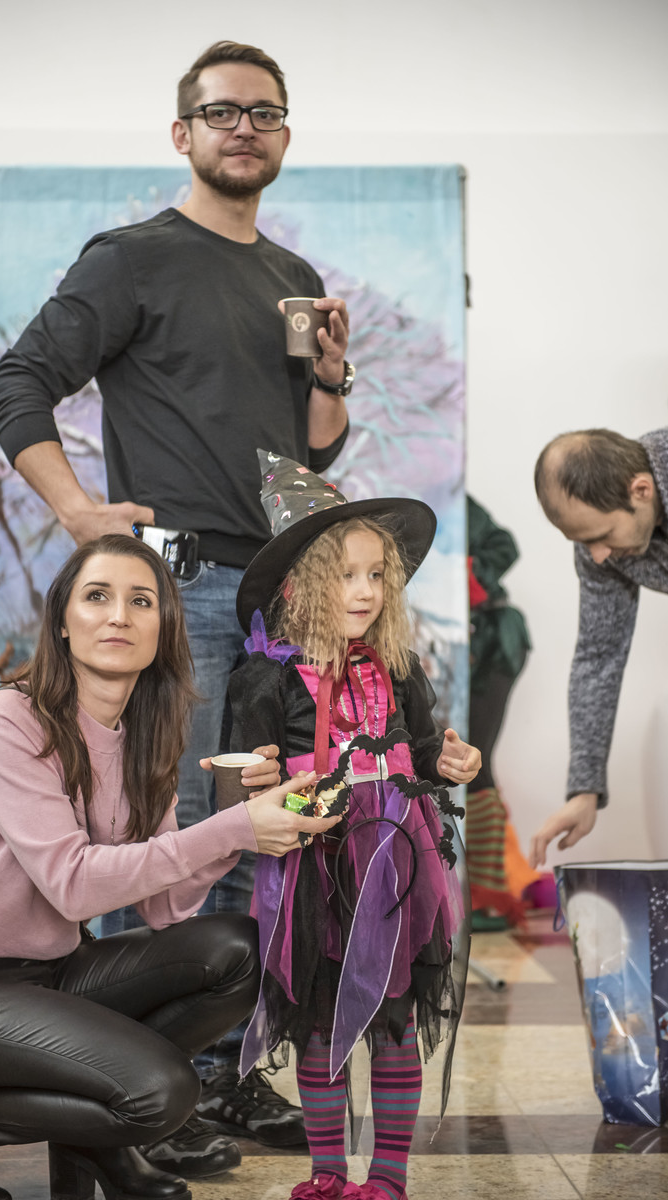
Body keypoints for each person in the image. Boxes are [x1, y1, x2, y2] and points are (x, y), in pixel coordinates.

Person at [0, 39, 352, 1165]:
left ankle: (216, 1074)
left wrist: (329, 380)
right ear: (182, 133)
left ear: (285, 135)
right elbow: (17, 384)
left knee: (249, 842)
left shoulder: (290, 275)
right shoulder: (131, 259)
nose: (245, 128)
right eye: (222, 112)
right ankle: (132, 1099)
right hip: (180, 591)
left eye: (264, 113)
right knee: (161, 839)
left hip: (279, 597)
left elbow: (309, 452)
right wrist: (80, 512)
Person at [0, 533, 342, 1200]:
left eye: (141, 601)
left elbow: (165, 908)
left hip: (51, 973)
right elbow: (73, 885)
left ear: (163, 628)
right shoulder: (9, 720)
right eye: (97, 596)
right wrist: (231, 828)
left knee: (239, 950)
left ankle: (95, 1130)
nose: (119, 615)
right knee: (162, 1093)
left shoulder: (146, 737)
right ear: (63, 622)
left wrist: (241, 819)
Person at [227, 453, 479, 1200]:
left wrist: (450, 762)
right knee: (318, 1017)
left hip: (397, 864)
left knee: (394, 1016)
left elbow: (424, 752)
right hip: (314, 866)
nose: (365, 591)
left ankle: (389, 1177)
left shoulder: (399, 669)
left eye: (376, 575)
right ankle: (328, 1170)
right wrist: (260, 778)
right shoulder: (267, 676)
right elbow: (251, 771)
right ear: (299, 585)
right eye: (345, 575)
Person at [529, 427, 668, 867]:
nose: (598, 556)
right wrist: (584, 789)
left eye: (604, 535)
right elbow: (599, 657)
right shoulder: (599, 547)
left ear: (641, 490)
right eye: (583, 542)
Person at [465, 495, 534, 928]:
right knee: (451, 758)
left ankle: (486, 895)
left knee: (474, 757)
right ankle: (469, 891)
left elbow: (504, 545)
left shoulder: (449, 498)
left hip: (492, 642)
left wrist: (468, 575)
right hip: (448, 646)